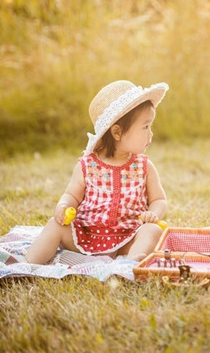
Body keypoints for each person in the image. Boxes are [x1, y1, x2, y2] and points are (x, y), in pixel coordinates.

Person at [25, 80, 169, 264]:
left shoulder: (144, 166)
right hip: (86, 235)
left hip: (128, 236)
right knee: (55, 225)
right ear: (117, 132)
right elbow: (72, 195)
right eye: (145, 127)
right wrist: (62, 206)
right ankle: (29, 264)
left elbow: (159, 199)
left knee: (153, 231)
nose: (151, 134)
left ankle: (132, 263)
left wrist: (153, 214)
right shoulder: (87, 166)